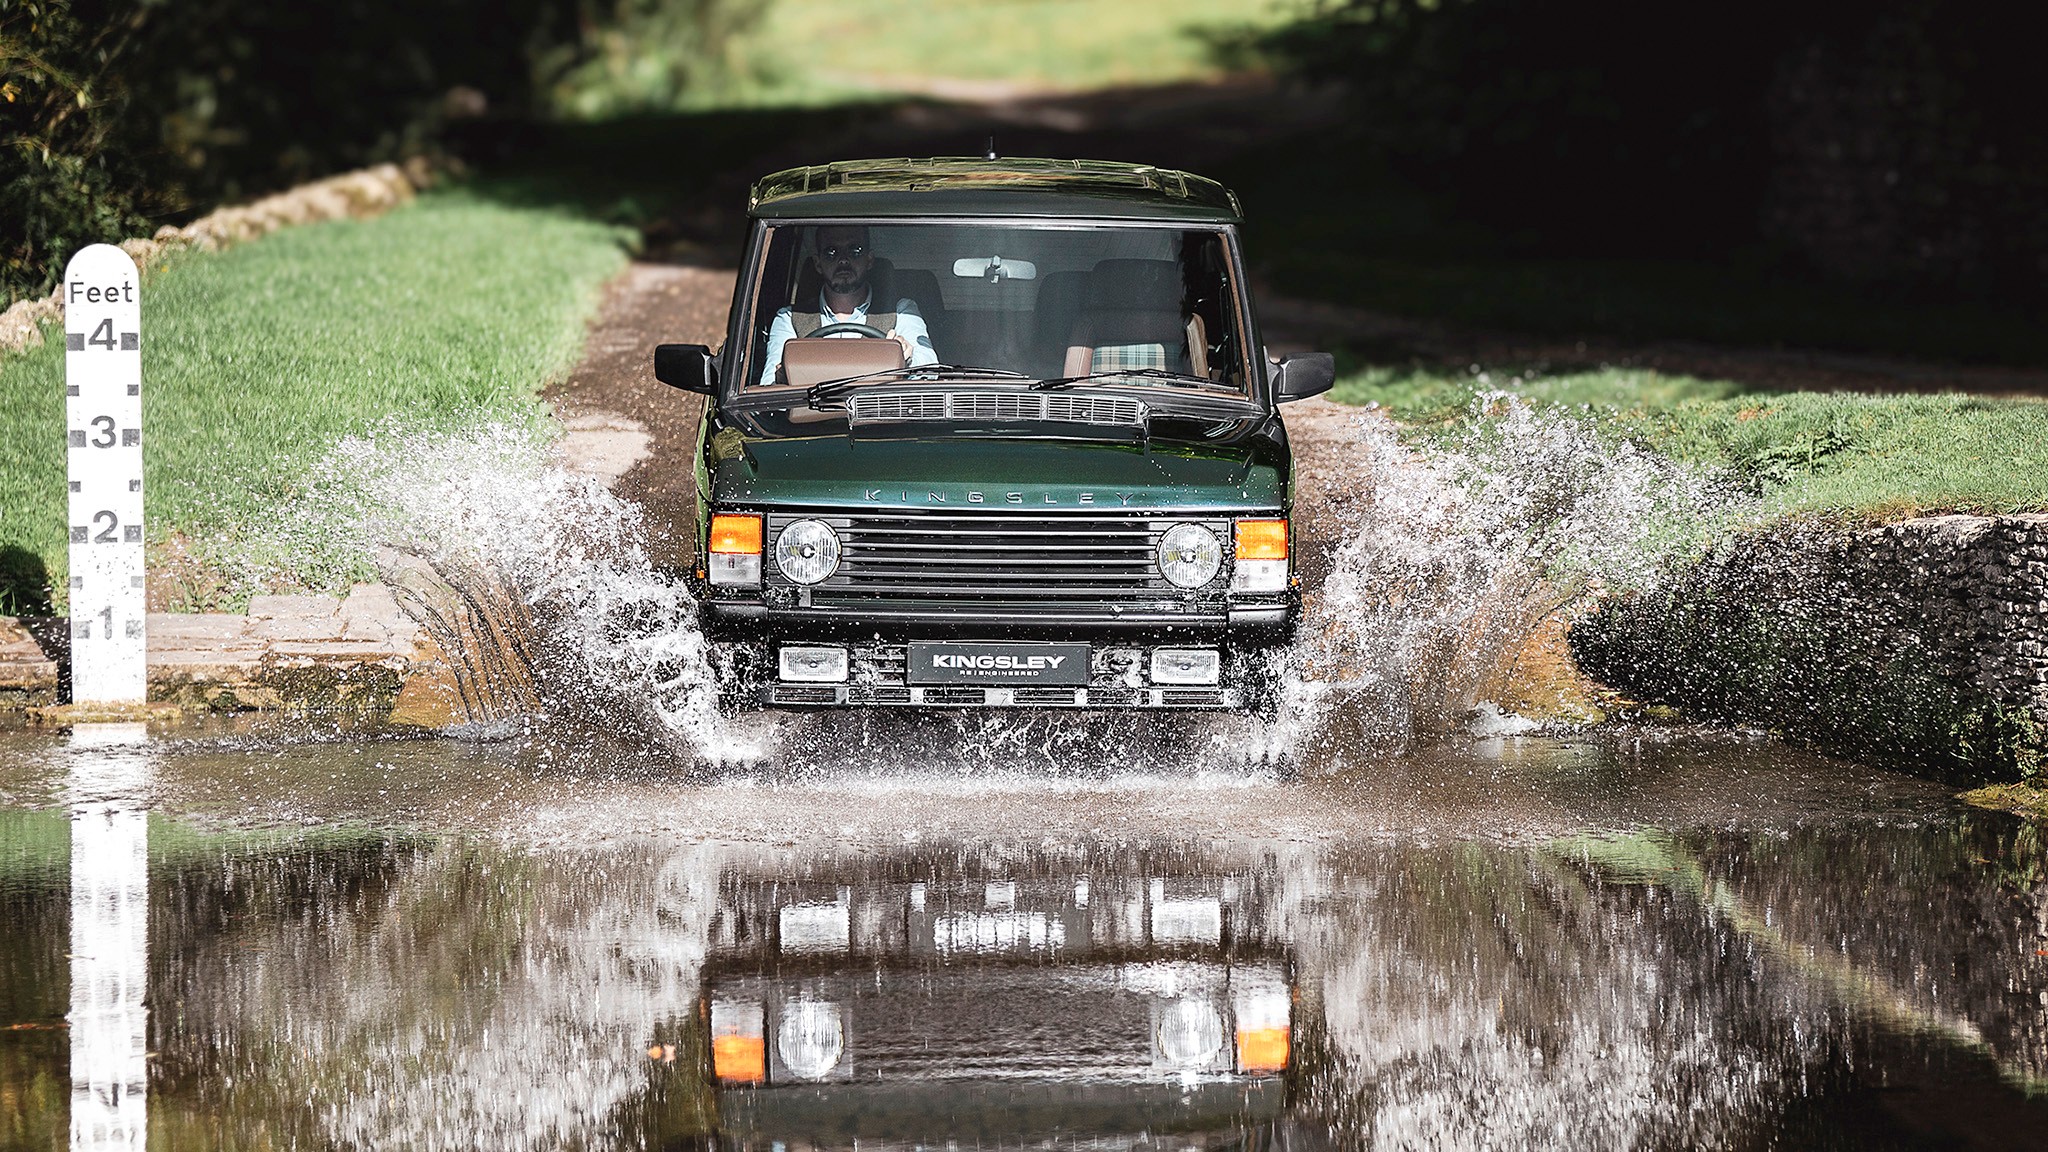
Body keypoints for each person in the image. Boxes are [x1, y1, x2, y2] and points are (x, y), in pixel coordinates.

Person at [759, 224, 939, 386]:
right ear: (818, 263)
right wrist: (781, 376)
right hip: (808, 422)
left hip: (881, 420)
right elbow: (768, 387)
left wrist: (907, 357)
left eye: (855, 250)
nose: (843, 260)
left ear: (869, 260)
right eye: (831, 252)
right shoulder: (790, 319)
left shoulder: (901, 312)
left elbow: (930, 371)